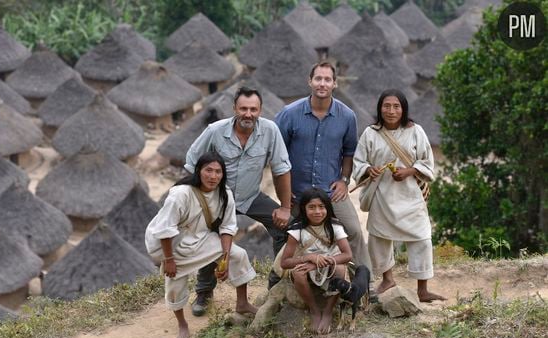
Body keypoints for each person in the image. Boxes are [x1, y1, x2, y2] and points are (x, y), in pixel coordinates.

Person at [185, 87, 292, 315]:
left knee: (287, 226)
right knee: (209, 236)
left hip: (250, 196)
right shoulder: (215, 131)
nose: (248, 114)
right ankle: (204, 292)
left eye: (253, 109)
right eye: (243, 108)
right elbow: (191, 162)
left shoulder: (270, 130)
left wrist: (284, 207)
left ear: (260, 110)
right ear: (234, 109)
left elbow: (281, 168)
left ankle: (278, 283)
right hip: (218, 198)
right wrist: (199, 201)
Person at [145, 152, 258, 338]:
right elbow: (165, 229)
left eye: (218, 172)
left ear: (223, 174)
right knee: (175, 281)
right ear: (199, 171)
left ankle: (242, 303)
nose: (213, 176)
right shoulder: (181, 194)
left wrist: (224, 259)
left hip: (200, 237)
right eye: (208, 170)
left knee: (238, 255)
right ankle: (182, 324)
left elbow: (227, 227)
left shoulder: (225, 194)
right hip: (171, 244)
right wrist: (169, 260)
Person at [274, 61, 373, 276]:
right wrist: (284, 189)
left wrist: (344, 180)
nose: (322, 83)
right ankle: (279, 280)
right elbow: (277, 155)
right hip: (296, 193)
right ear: (310, 81)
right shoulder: (289, 114)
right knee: (286, 233)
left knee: (354, 231)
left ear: (335, 84)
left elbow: (349, 152)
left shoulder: (347, 116)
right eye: (318, 78)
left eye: (327, 79)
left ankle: (366, 282)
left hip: (331, 192)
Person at [353, 89, 446, 302]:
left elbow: (426, 161)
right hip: (382, 195)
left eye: (396, 106)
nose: (391, 111)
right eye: (387, 106)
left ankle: (423, 289)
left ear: (403, 109)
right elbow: (359, 162)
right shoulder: (370, 133)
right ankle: (388, 279)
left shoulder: (416, 131)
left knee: (422, 238)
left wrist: (409, 171)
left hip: (411, 196)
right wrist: (369, 170)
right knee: (379, 238)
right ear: (380, 108)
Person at [280, 187, 352, 334]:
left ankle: (327, 311)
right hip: (306, 267)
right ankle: (314, 309)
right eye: (311, 207)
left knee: (341, 270)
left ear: (327, 208)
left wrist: (319, 263)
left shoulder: (335, 226)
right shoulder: (297, 230)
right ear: (304, 209)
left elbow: (347, 255)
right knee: (298, 273)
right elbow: (285, 262)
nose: (317, 212)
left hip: (330, 265)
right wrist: (308, 258)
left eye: (321, 207)